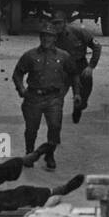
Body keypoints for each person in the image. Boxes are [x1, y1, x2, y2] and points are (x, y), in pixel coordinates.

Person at [12, 20, 77, 171]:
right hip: (33, 97)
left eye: (50, 36)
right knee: (31, 128)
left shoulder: (64, 56)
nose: (46, 39)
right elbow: (17, 73)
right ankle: (29, 153)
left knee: (54, 127)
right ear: (40, 38)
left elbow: (74, 74)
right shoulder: (30, 56)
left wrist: (77, 93)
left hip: (53, 98)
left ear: (55, 38)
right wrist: (21, 89)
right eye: (44, 36)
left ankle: (50, 154)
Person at [50, 10, 102, 124]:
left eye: (59, 23)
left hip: (80, 66)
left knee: (82, 98)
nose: (57, 26)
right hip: (63, 70)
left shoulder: (78, 32)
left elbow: (97, 46)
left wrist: (91, 66)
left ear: (65, 23)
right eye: (54, 23)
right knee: (56, 100)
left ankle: (78, 108)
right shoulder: (50, 37)